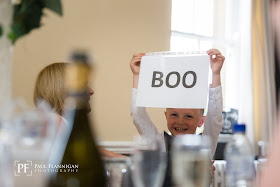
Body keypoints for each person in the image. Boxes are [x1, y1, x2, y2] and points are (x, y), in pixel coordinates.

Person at [130, 49, 225, 186]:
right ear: (166, 116)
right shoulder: (159, 143)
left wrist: (215, 73)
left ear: (201, 121)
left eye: (188, 116)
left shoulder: (205, 143)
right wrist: (137, 75)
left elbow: (215, 117)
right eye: (174, 114)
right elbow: (138, 116)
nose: (180, 121)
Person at [34, 62, 125, 158]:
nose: (91, 91)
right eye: (83, 86)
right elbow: (92, 152)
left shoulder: (62, 122)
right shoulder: (54, 120)